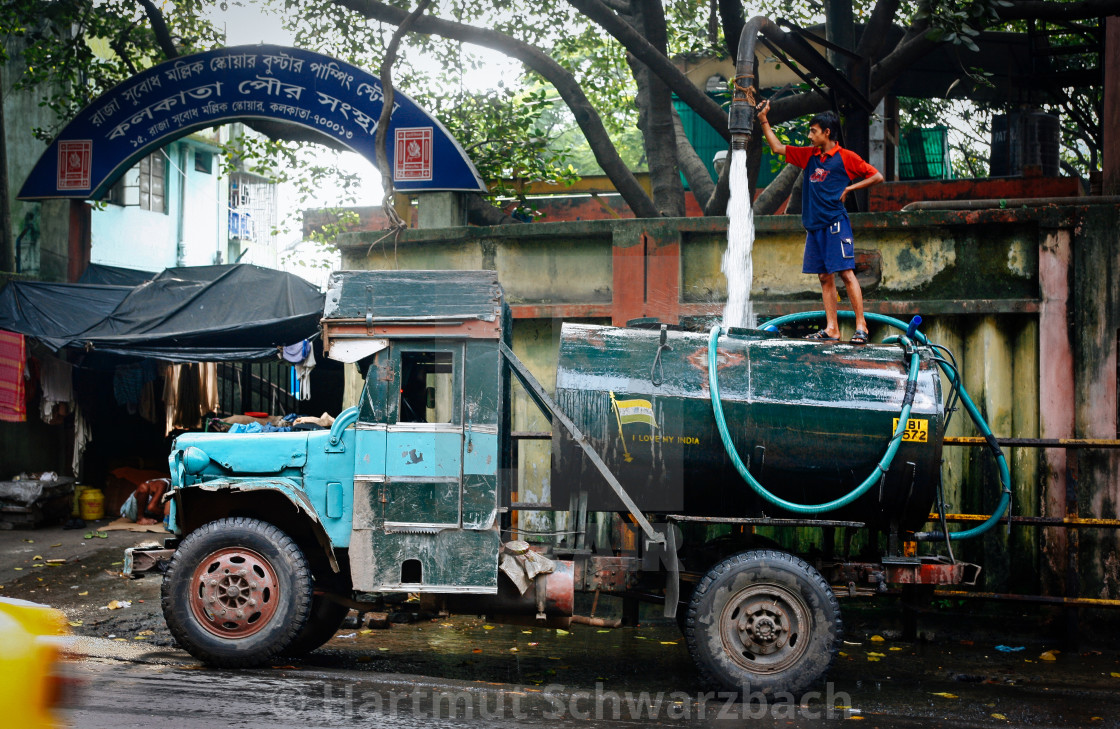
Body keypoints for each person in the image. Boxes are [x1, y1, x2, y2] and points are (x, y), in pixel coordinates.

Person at [755, 102, 884, 343]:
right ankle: (832, 328)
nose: (809, 135)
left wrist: (850, 187)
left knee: (845, 273)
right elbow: (776, 147)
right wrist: (763, 119)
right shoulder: (809, 155)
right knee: (824, 277)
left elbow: (877, 176)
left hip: (836, 223)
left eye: (813, 131)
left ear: (827, 132)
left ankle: (861, 326)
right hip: (814, 228)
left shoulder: (846, 157)